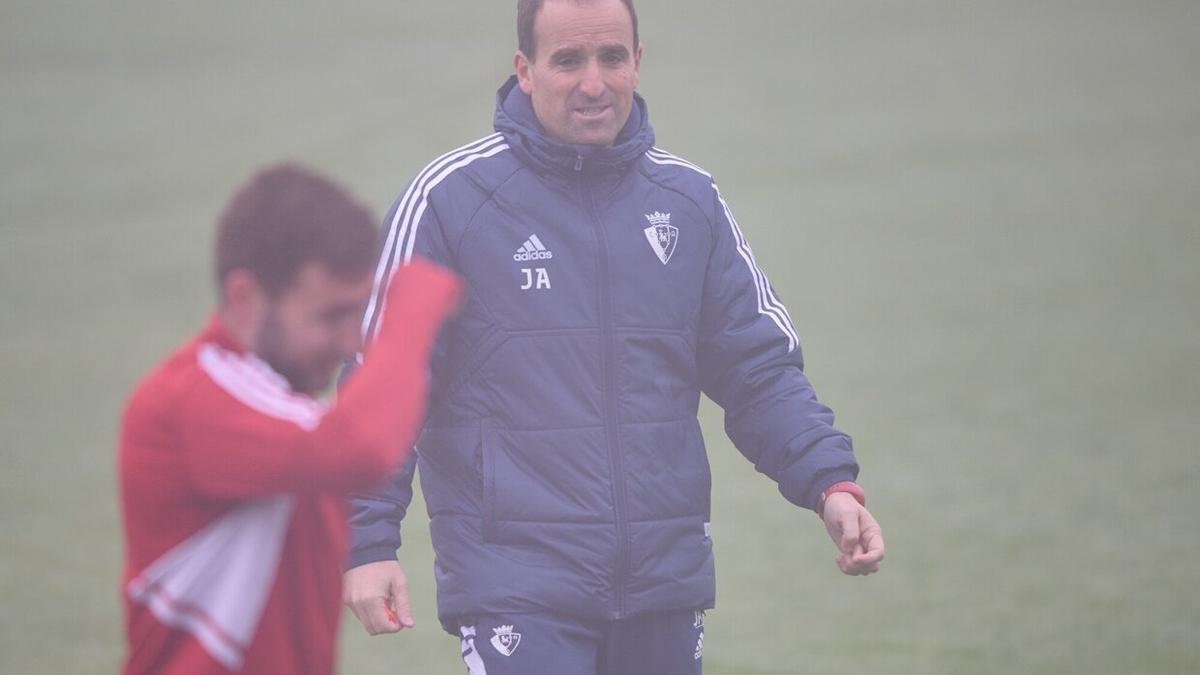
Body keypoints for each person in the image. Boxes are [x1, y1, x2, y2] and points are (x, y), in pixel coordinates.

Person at [342, 1, 885, 672]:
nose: (593, 83)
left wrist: (829, 482)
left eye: (611, 58)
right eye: (568, 60)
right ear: (526, 69)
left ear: (638, 60)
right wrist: (366, 542)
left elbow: (758, 370)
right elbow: (385, 382)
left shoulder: (690, 203)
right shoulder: (449, 203)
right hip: (518, 588)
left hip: (663, 584)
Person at [117, 164, 460, 674]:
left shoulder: (280, 406)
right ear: (245, 299)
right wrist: (411, 302)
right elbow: (359, 448)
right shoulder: (193, 400)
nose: (351, 342)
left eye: (358, 313)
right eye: (330, 316)